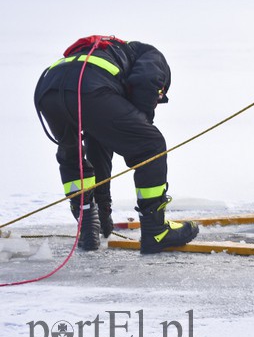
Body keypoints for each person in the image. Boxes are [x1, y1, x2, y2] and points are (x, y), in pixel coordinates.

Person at [34, 35, 199, 254]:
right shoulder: (152, 56)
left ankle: (90, 226)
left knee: (71, 153)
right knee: (151, 145)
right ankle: (156, 232)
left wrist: (104, 209)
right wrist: (142, 123)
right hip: (89, 89)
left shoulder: (109, 56)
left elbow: (100, 146)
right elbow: (147, 81)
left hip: (49, 91)